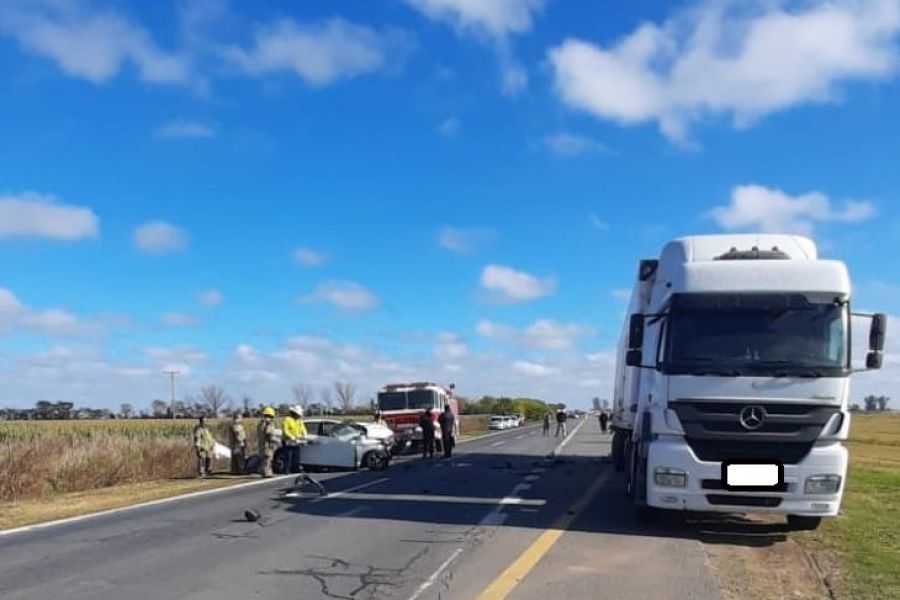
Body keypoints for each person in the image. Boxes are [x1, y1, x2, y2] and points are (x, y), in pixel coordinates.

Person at [282, 405, 306, 474]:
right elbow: (285, 430)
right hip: (288, 440)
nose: (299, 416)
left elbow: (303, 428)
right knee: (288, 456)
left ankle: (295, 469)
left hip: (296, 440)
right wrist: (290, 436)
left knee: (296, 455)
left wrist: (304, 434)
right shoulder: (287, 419)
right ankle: (286, 469)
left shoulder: (299, 421)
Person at [258, 406, 278, 478]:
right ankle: (267, 473)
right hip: (267, 445)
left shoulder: (260, 424)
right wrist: (276, 440)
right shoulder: (269, 424)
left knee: (264, 460)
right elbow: (269, 434)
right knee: (268, 460)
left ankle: (264, 473)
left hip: (261, 444)